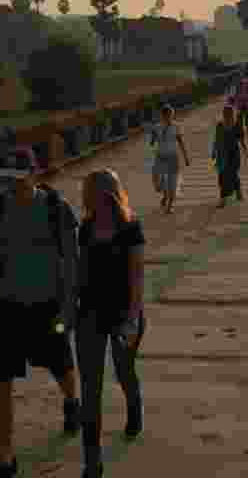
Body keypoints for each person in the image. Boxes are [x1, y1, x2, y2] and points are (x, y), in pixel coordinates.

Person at [0, 149, 82, 478]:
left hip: (48, 307)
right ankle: (5, 459)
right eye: (8, 180)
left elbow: (73, 262)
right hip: (7, 308)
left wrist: (70, 307)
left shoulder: (56, 209)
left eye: (19, 180)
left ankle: (71, 401)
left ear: (34, 175)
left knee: (61, 366)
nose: (13, 186)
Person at [75, 169, 146, 478]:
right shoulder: (86, 228)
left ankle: (134, 407)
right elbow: (81, 272)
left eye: (87, 191)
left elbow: (136, 278)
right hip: (89, 315)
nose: (83, 198)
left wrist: (132, 320)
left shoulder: (131, 228)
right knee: (90, 390)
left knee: (124, 372)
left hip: (123, 316)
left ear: (102, 193)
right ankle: (92, 462)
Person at [149, 105, 190, 214]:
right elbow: (152, 143)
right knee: (158, 182)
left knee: (173, 182)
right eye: (166, 115)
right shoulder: (157, 127)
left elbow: (181, 142)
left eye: (171, 115)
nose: (169, 118)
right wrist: (152, 136)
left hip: (173, 157)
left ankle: (170, 205)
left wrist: (186, 157)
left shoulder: (176, 127)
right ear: (162, 116)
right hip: (160, 157)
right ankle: (165, 194)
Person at [212, 104, 248, 207]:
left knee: (232, 174)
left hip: (234, 155)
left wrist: (245, 151)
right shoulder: (219, 125)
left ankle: (237, 191)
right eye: (225, 114)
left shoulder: (237, 125)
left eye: (229, 113)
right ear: (223, 114)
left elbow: (241, 140)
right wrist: (214, 152)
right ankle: (224, 198)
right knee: (222, 176)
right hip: (222, 154)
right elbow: (216, 140)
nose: (227, 116)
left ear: (232, 114)